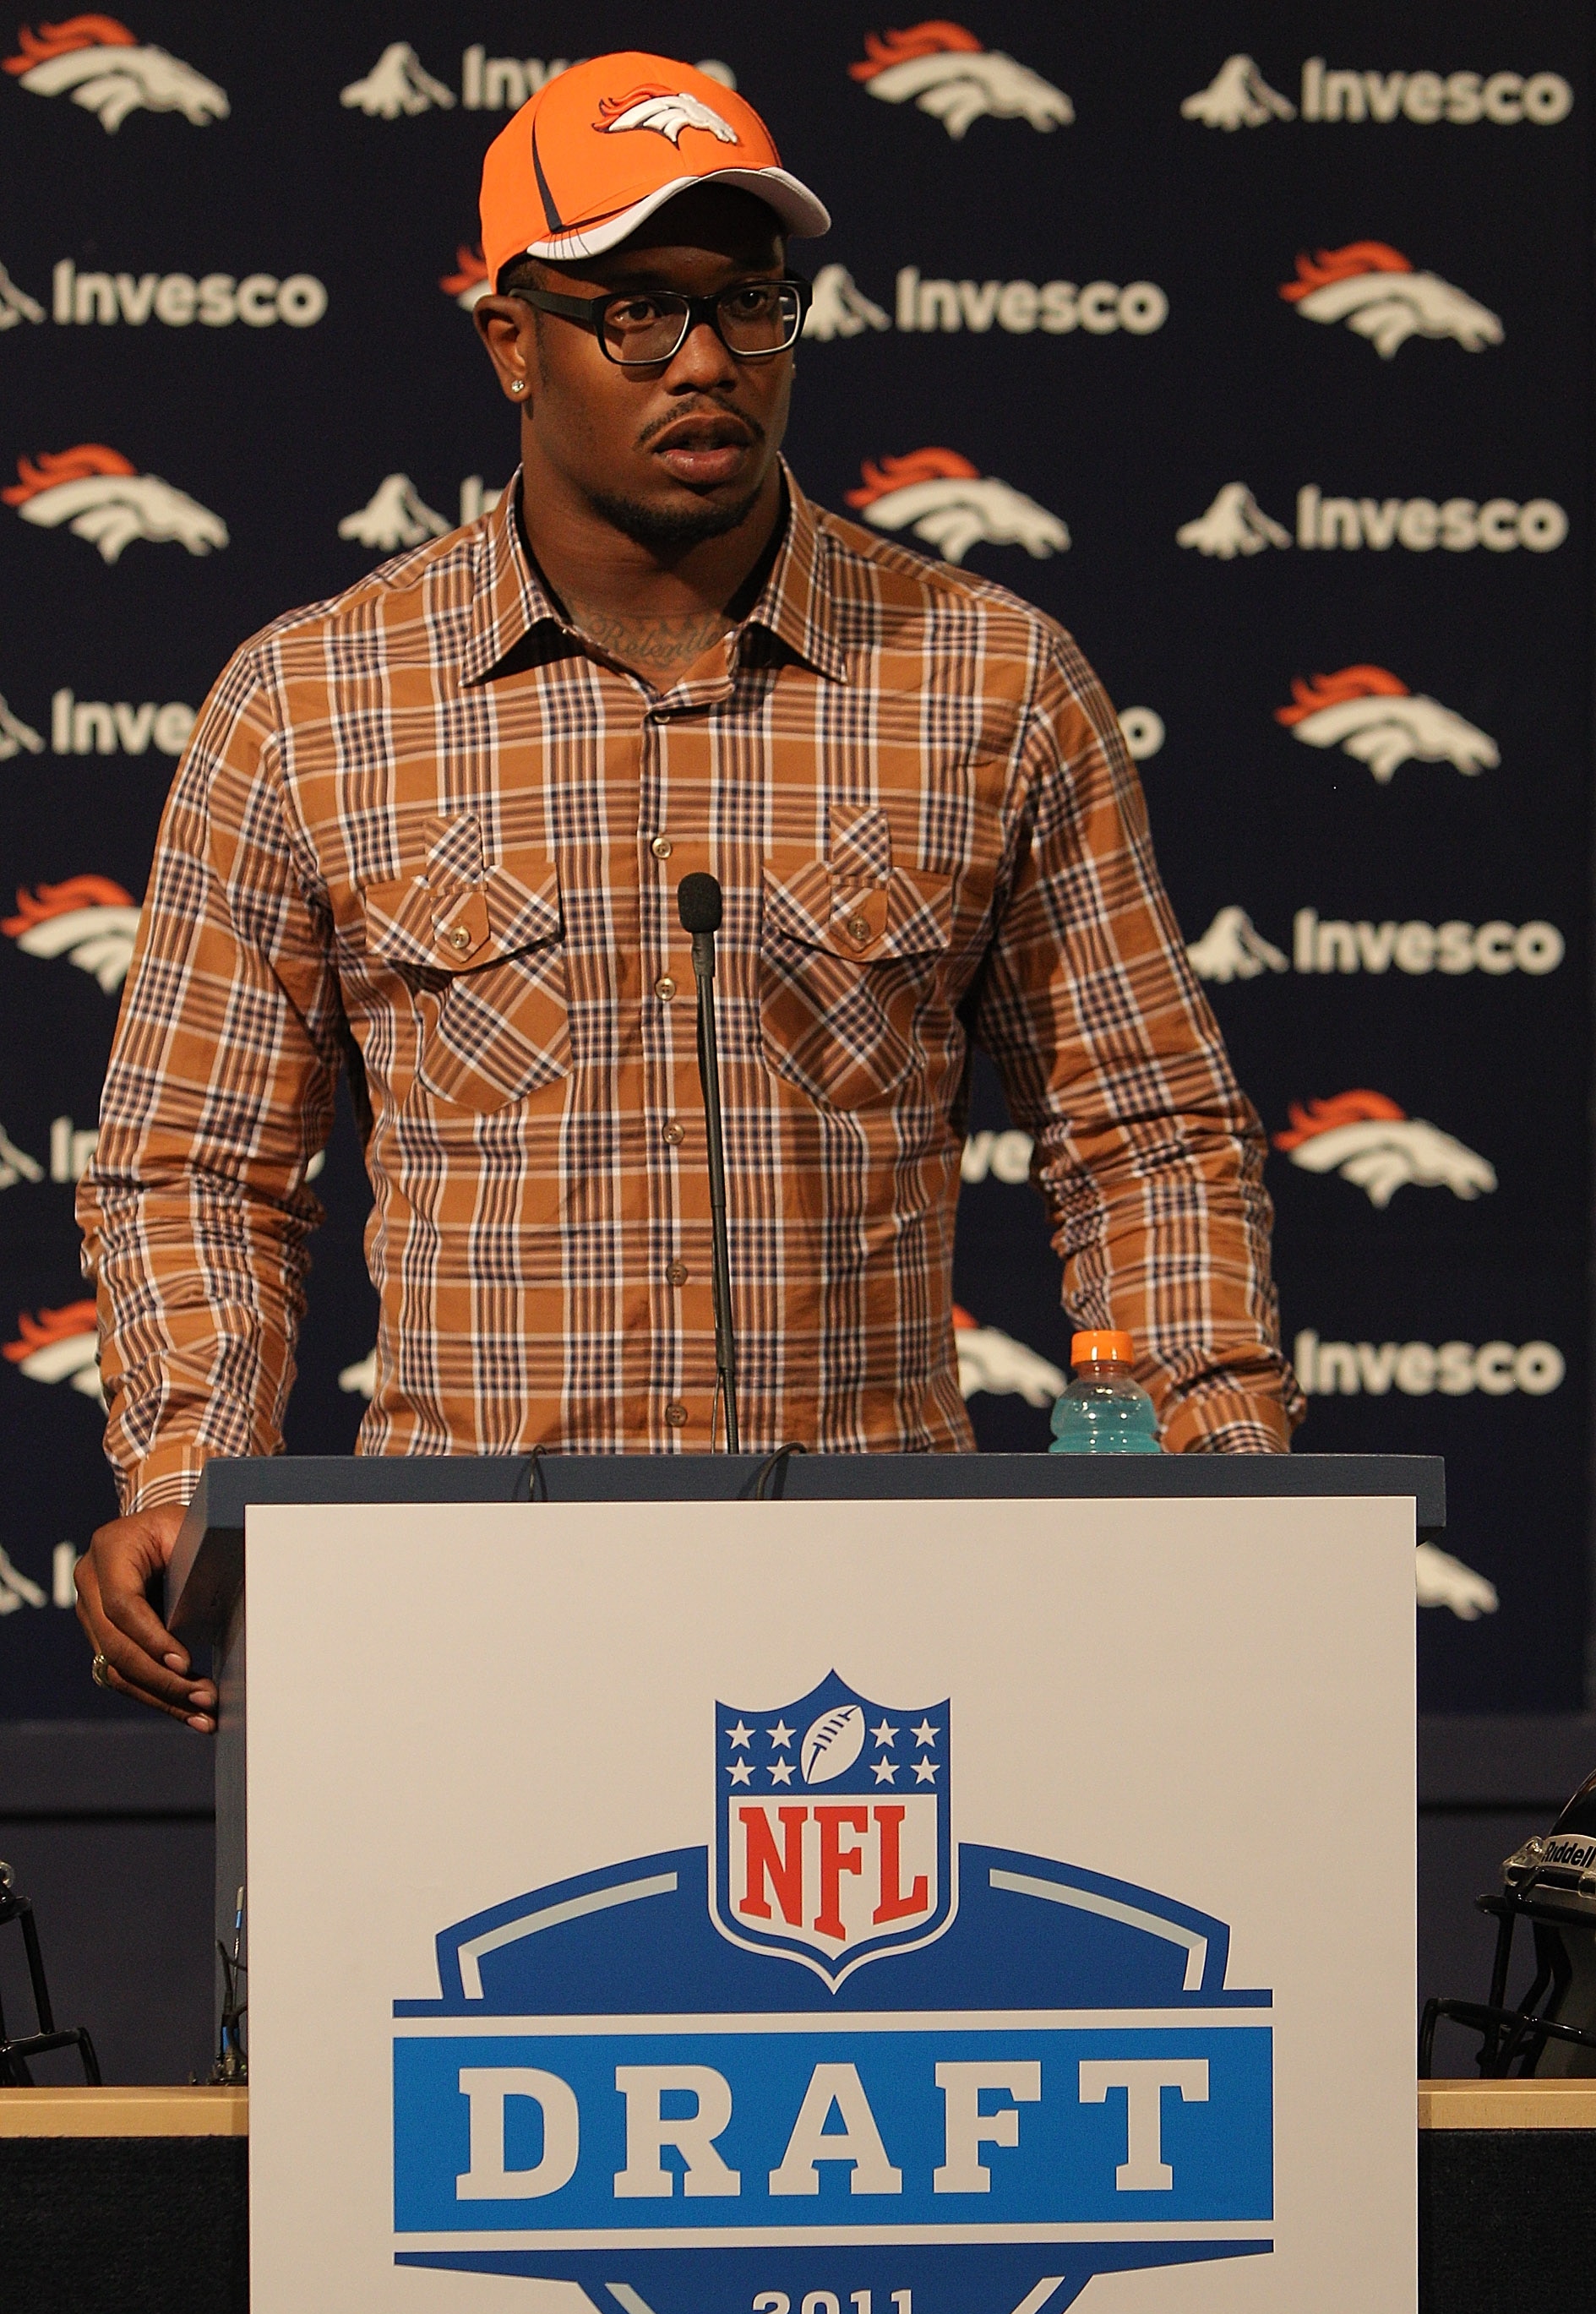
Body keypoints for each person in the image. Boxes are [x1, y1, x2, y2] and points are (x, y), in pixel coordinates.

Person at [73, 52, 1302, 1730]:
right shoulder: (312, 704)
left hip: (886, 1624)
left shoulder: (989, 682)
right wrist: (189, 1475)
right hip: (463, 1620)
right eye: (638, 311)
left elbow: (1145, 1134)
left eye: (749, 302)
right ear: (512, 342)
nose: (710, 360)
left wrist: (1223, 1493)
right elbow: (196, 1166)